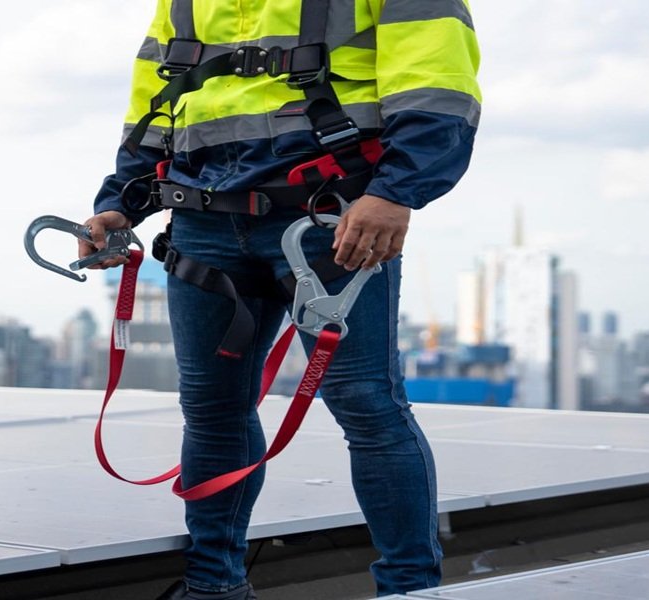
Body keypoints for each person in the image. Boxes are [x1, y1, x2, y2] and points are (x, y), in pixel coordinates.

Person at [78, 1, 480, 598]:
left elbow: (438, 86)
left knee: (366, 404)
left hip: (330, 215)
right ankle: (214, 587)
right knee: (212, 411)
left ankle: (409, 590)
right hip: (205, 220)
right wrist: (123, 201)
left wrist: (397, 193)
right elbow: (157, 103)